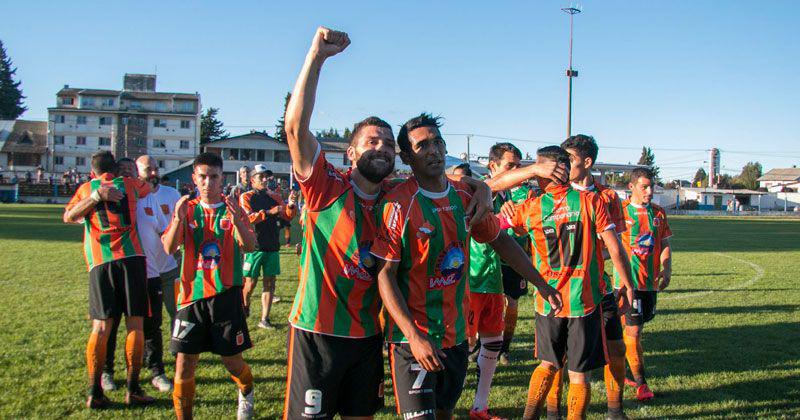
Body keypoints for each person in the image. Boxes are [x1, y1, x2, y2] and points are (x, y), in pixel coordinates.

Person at [283, 27, 494, 420]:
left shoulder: (396, 196)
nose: (381, 147)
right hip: (318, 333)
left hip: (369, 337)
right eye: (371, 141)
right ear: (351, 152)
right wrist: (316, 56)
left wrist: (481, 185)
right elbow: (295, 130)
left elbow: (446, 185)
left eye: (387, 143)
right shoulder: (325, 188)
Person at [372, 114, 563, 420]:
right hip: (414, 340)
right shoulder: (397, 203)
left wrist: (540, 283)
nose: (433, 150)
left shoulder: (464, 195)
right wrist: (413, 337)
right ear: (407, 157)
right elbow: (385, 275)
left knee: (446, 413)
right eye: (423, 146)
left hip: (457, 337)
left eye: (438, 142)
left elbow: (501, 240)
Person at [494, 146, 634, 420]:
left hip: (547, 302)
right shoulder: (590, 202)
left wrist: (506, 208)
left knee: (547, 365)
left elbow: (495, 226)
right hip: (583, 302)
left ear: (544, 174)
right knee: (579, 375)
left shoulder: (531, 207)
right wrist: (626, 283)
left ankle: (529, 416)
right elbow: (614, 247)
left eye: (537, 169)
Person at [540, 135, 630, 419]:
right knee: (558, 359)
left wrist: (620, 279)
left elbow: (615, 245)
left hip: (598, 288)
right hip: (561, 292)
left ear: (587, 162)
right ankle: (554, 411)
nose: (562, 167)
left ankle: (616, 409)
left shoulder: (607, 197)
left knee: (616, 348)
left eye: (570, 161)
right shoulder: (548, 197)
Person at [162, 152, 257, 420]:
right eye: (202, 177)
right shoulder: (187, 210)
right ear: (194, 178)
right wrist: (179, 219)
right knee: (184, 365)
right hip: (191, 298)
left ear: (221, 178)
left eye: (213, 177)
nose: (207, 183)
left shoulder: (233, 209)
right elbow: (169, 248)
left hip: (225, 297)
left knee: (232, 362)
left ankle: (247, 390)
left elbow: (249, 246)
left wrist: (239, 219)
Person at [63, 151, 155, 408]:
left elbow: (68, 216)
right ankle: (133, 389)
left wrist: (94, 196)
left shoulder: (85, 188)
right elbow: (148, 187)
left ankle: (95, 391)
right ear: (115, 169)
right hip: (132, 259)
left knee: (100, 328)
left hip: (101, 263)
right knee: (135, 325)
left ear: (92, 173)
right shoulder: (129, 184)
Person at [465, 143, 540, 419]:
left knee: (492, 343)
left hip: (493, 279)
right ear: (492, 167)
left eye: (520, 166)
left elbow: (510, 231)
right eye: (511, 166)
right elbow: (479, 224)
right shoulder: (478, 189)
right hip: (470, 280)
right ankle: (443, 405)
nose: (517, 172)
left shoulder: (511, 196)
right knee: (461, 347)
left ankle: (479, 408)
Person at [614, 167, 673, 402]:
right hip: (628, 284)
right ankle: (641, 384)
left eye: (652, 186)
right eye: (644, 187)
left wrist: (666, 268)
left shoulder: (658, 214)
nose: (649, 191)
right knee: (634, 331)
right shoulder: (621, 212)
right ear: (632, 187)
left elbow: (665, 243)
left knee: (636, 332)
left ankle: (623, 366)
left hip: (649, 283)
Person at [239, 164, 297, 329]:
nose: (265, 180)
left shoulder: (275, 196)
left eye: (266, 176)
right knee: (250, 283)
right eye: (261, 177)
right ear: (252, 180)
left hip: (272, 245)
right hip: (254, 247)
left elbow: (287, 215)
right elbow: (247, 218)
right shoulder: (246, 197)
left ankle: (265, 318)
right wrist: (269, 212)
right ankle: (245, 307)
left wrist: (291, 205)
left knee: (270, 283)